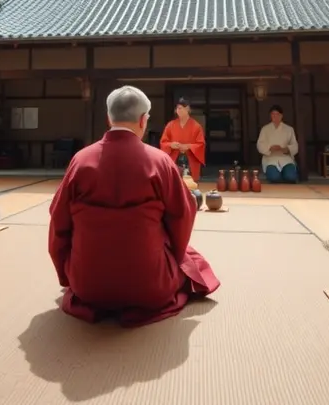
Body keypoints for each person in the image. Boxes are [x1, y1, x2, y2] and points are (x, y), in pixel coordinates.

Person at [49, 85, 221, 327]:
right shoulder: (159, 161)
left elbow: (58, 221)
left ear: (109, 118)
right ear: (143, 120)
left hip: (87, 285)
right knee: (189, 256)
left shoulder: (80, 160)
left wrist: (67, 274)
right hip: (149, 286)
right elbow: (183, 215)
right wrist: (174, 251)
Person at [159, 98, 207, 179]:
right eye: (176, 108)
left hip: (190, 159)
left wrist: (188, 146)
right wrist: (171, 145)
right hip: (174, 159)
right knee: (174, 182)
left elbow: (201, 144)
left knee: (190, 185)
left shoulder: (196, 126)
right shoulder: (170, 125)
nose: (177, 110)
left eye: (180, 108)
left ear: (187, 109)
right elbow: (163, 142)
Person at [256, 104, 299, 183]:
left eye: (277, 114)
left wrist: (285, 149)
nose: (275, 116)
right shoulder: (265, 129)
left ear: (281, 116)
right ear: (270, 116)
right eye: (273, 114)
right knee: (274, 178)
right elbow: (260, 144)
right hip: (270, 159)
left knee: (291, 177)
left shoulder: (289, 129)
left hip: (285, 158)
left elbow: (294, 145)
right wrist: (269, 148)